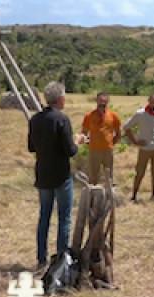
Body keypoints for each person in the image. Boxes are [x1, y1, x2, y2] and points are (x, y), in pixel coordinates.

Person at [28, 82, 80, 271]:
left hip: (42, 173)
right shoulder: (62, 119)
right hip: (61, 175)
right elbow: (71, 150)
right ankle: (59, 259)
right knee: (64, 217)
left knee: (44, 216)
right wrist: (78, 141)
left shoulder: (35, 119)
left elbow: (31, 147)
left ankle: (41, 258)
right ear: (60, 99)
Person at [124, 95, 154, 202]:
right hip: (144, 148)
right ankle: (134, 195)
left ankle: (153, 195)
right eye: (152, 102)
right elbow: (127, 127)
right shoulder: (140, 113)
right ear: (148, 101)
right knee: (140, 172)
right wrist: (135, 141)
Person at [82, 92, 122, 185]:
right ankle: (92, 197)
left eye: (104, 101)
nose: (102, 103)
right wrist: (89, 143)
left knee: (109, 176)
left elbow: (119, 133)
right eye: (100, 101)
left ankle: (108, 197)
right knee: (93, 177)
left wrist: (111, 144)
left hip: (108, 151)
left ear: (107, 102)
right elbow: (84, 133)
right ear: (96, 101)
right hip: (94, 151)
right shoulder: (89, 116)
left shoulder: (113, 116)